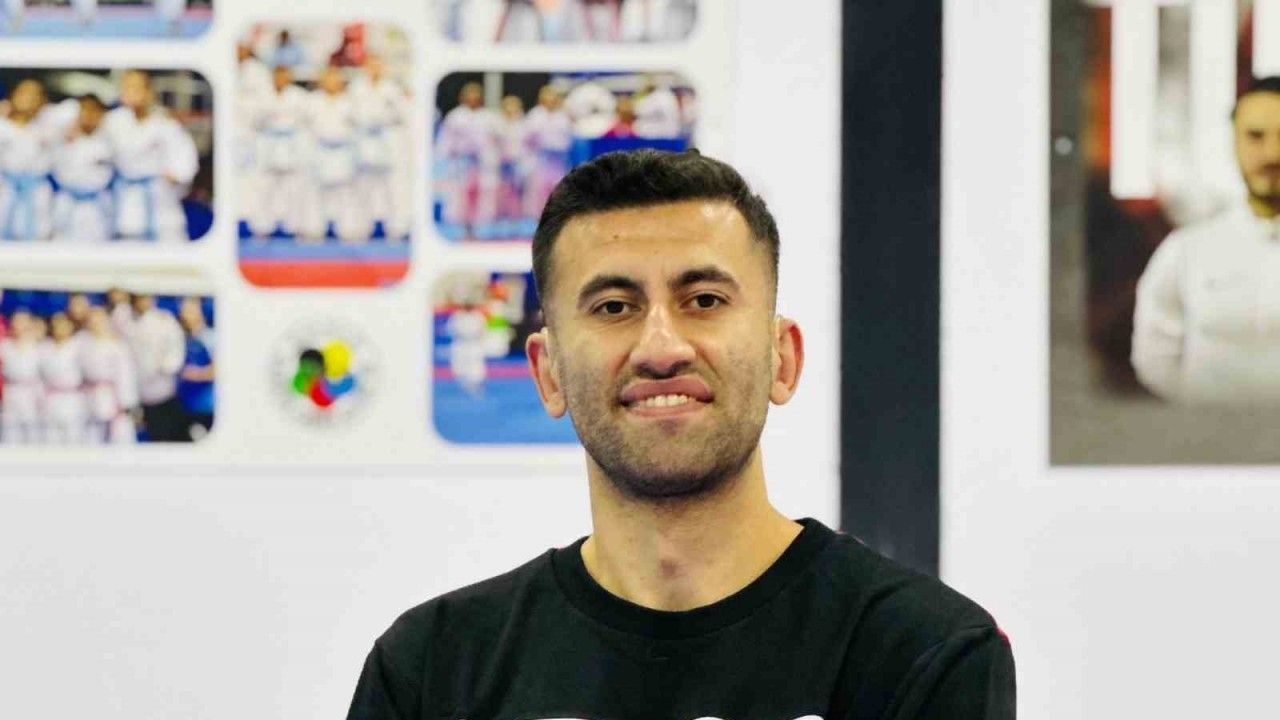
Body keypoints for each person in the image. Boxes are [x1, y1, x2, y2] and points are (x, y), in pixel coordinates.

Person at [346, 150, 1015, 719]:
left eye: (705, 301)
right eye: (614, 307)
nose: (661, 347)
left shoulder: (925, 653)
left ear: (782, 359)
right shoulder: (431, 670)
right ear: (548, 374)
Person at [1133, 76, 1280, 404]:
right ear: (1234, 142)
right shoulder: (1186, 250)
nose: (1272, 153)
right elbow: (1153, 357)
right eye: (1255, 136)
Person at [101, 70, 199, 242]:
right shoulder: (111, 121)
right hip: (126, 201)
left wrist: (177, 174)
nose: (132, 92)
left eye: (137, 87)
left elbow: (185, 156)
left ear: (149, 92)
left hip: (160, 199)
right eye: (127, 87)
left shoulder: (165, 122)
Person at [349, 54, 410, 240]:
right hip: (364, 141)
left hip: (387, 141)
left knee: (393, 187)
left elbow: (402, 114)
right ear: (365, 67)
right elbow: (351, 113)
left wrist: (382, 119)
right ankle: (360, 227)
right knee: (362, 187)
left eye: (378, 65)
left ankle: (397, 228)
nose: (374, 69)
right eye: (371, 65)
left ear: (383, 67)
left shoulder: (392, 89)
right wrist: (365, 121)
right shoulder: (356, 87)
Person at [249, 65, 309, 237]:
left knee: (294, 190)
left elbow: (306, 121)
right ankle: (262, 228)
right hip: (269, 145)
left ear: (290, 77)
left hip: (291, 146)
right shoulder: (262, 95)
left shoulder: (299, 96)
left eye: (285, 76)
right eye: (278, 76)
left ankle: (296, 227)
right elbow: (255, 121)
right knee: (264, 190)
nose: (281, 79)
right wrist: (270, 120)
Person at [303, 65, 361, 242]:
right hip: (319, 150)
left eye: (334, 78)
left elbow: (357, 125)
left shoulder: (349, 102)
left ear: (340, 81)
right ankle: (313, 229)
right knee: (315, 193)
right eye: (327, 78)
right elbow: (305, 126)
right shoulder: (312, 101)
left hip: (342, 151)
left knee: (346, 193)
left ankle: (348, 229)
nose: (331, 82)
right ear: (321, 81)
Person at [124, 292, 185, 442]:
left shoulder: (164, 320)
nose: (144, 302)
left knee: (165, 435)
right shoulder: (126, 321)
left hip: (162, 390)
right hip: (137, 391)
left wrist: (166, 367)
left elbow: (175, 348)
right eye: (140, 299)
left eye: (146, 298)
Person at [53, 94, 114, 243]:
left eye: (94, 110)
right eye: (84, 109)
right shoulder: (61, 138)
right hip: (67, 203)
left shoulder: (110, 140)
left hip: (98, 205)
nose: (88, 115)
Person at [80, 305, 138, 444]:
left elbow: (126, 376)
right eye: (92, 318)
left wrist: (126, 403)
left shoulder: (118, 345)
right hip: (89, 400)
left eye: (99, 318)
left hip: (113, 400)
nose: (95, 322)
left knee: (120, 438)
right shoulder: (82, 343)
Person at [38, 311, 87, 444]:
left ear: (71, 326)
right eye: (56, 324)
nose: (59, 327)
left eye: (63, 324)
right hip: (50, 399)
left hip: (73, 397)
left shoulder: (79, 345)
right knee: (50, 439)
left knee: (74, 438)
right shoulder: (44, 346)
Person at [0, 309, 42, 443]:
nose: (19, 325)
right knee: (9, 434)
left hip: (32, 394)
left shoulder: (39, 346)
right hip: (11, 392)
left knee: (33, 435)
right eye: (16, 321)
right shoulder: (4, 346)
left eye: (23, 321)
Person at [175, 296, 214, 440]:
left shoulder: (211, 337)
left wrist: (193, 374)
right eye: (183, 309)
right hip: (184, 407)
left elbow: (218, 370)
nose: (185, 312)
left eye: (190, 309)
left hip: (206, 408)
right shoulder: (181, 337)